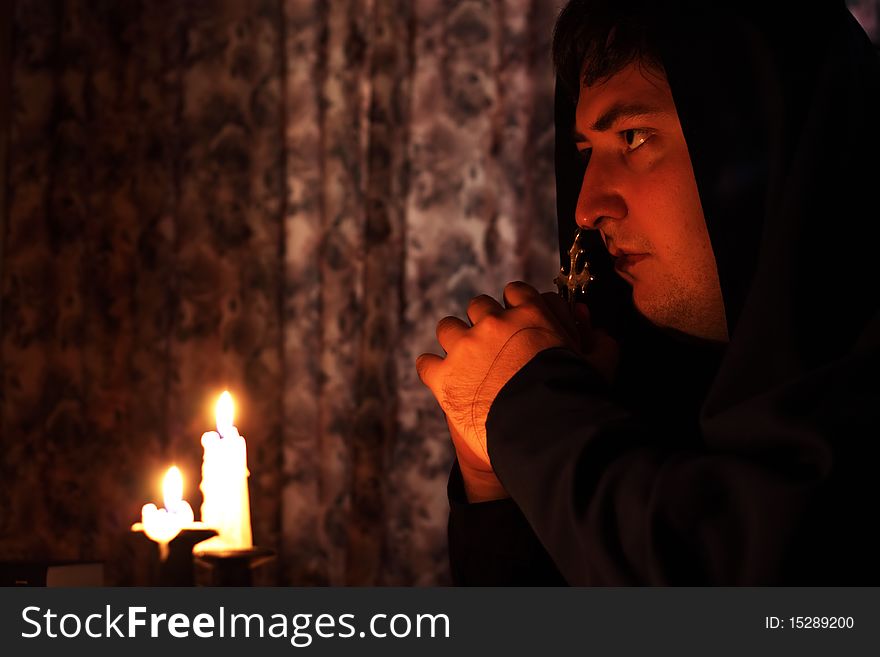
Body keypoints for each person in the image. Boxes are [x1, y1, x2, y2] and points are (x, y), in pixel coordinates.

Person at [416, 0, 880, 585]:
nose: (587, 209)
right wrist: (494, 482)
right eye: (587, 152)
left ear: (761, 138)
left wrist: (527, 414)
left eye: (633, 137)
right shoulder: (643, 390)